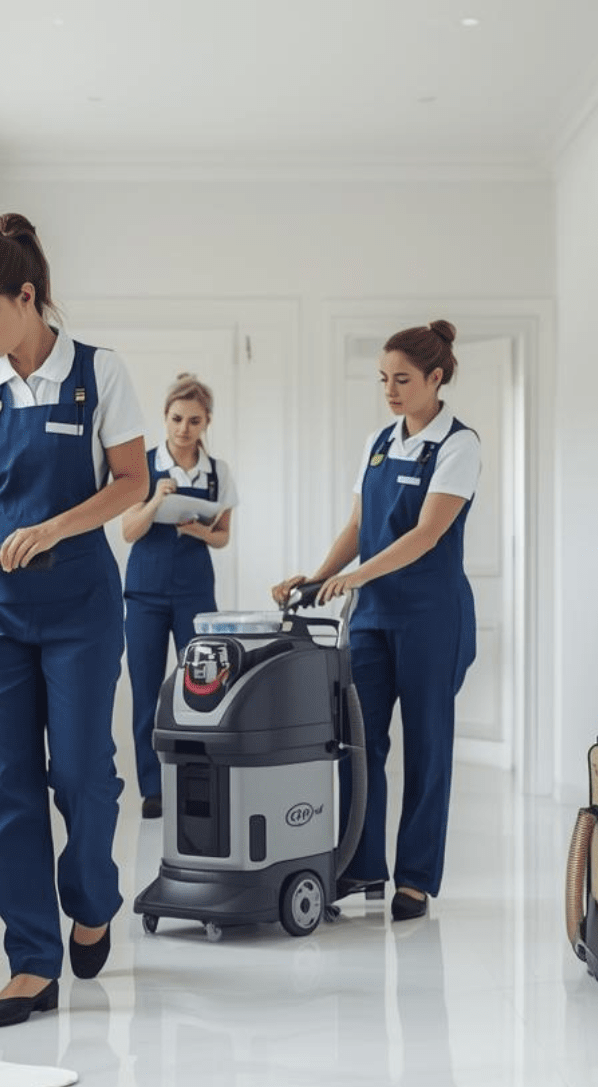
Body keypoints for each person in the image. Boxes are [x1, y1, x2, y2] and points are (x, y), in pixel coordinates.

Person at [0, 213, 149, 1026]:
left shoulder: (99, 373)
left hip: (80, 608)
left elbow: (131, 480)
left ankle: (93, 899)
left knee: (82, 774)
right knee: (6, 784)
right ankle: (31, 961)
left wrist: (57, 526)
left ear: (27, 298)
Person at [271, 320, 479, 922]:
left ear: (436, 378)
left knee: (428, 745)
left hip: (431, 617)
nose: (390, 390)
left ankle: (415, 879)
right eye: (383, 379)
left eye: (403, 379)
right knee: (361, 742)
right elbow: (360, 528)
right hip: (372, 619)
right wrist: (316, 578)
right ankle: (363, 866)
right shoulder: (378, 442)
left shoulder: (458, 446)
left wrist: (357, 577)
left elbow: (426, 534)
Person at [119, 374, 236, 818]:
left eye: (193, 421)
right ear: (164, 417)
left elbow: (223, 536)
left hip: (194, 591)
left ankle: (200, 781)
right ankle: (153, 789)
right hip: (145, 593)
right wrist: (156, 500)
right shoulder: (142, 467)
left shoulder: (218, 473)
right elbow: (129, 530)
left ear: (206, 423)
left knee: (203, 690)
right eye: (176, 419)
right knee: (147, 691)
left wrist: (198, 530)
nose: (183, 429)